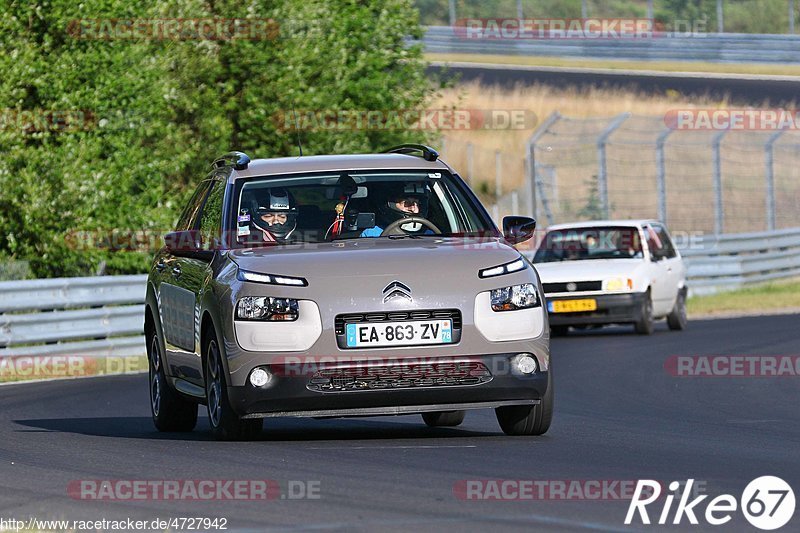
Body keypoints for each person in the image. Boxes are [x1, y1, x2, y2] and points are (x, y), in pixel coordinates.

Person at [360, 182, 433, 237]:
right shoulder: (371, 235)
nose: (414, 210)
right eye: (407, 203)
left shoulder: (430, 235)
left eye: (418, 203)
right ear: (391, 205)